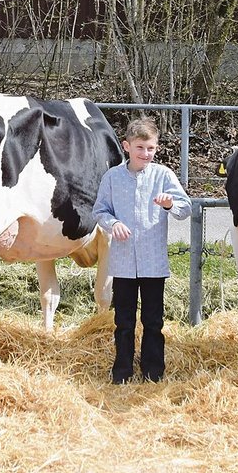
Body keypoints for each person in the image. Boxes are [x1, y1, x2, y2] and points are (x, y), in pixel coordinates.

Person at [92, 117, 191, 384]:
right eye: (140, 148)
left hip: (153, 262)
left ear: (156, 148)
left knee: (153, 320)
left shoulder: (163, 176)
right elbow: (99, 210)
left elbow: (186, 208)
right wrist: (113, 224)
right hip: (123, 262)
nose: (145, 154)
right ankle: (122, 371)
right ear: (126, 146)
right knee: (123, 320)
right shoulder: (112, 177)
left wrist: (170, 204)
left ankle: (153, 371)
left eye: (150, 148)